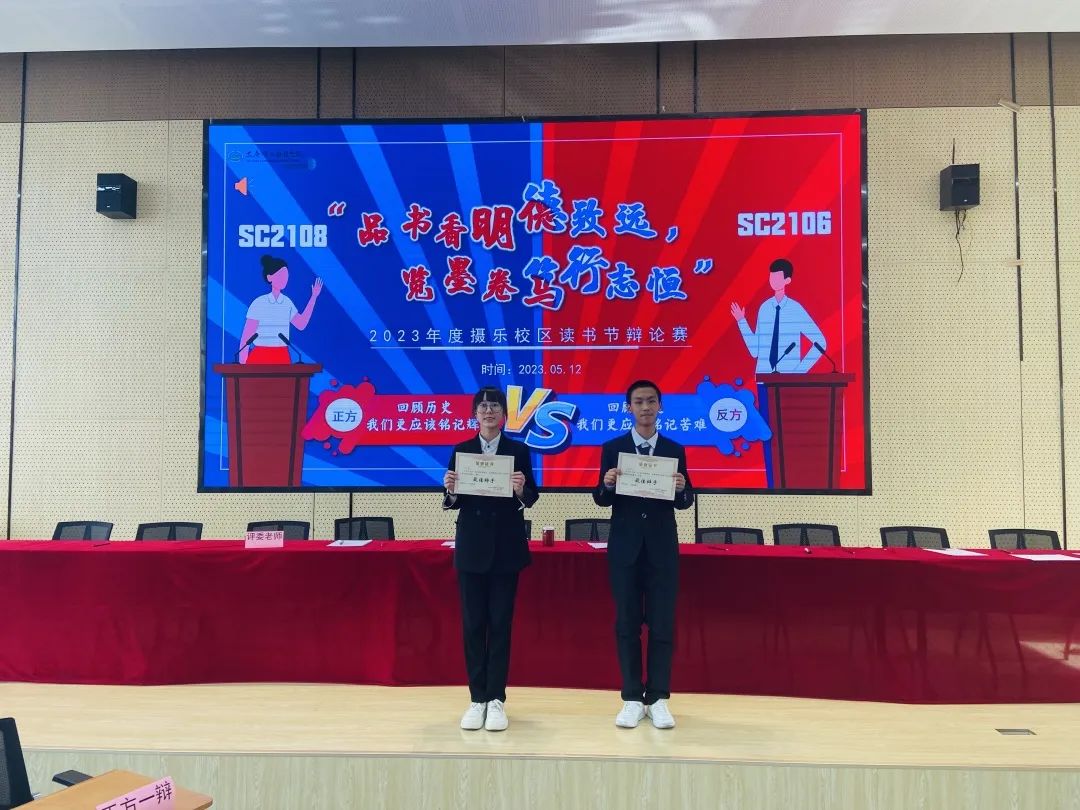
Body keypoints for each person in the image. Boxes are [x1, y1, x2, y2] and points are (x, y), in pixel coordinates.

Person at [593, 379, 693, 729]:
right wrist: (607, 484)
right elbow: (601, 499)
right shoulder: (613, 448)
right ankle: (633, 697)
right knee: (627, 624)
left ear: (660, 406)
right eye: (639, 402)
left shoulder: (674, 449)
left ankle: (659, 697)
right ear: (629, 408)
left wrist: (681, 489)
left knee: (662, 624)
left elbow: (685, 501)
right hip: (625, 549)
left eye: (651, 401)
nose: (646, 407)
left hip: (662, 549)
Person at [443, 387, 538, 732]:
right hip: (471, 548)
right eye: (482, 406)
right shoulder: (461, 450)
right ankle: (476, 698)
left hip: (506, 550)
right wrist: (450, 489)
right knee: (473, 626)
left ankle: (496, 698)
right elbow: (452, 500)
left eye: (494, 406)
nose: (488, 411)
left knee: (500, 625)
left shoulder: (518, 451)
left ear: (504, 415)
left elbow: (532, 497)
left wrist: (521, 489)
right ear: (475, 414)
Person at [730, 257, 826, 487]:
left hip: (788, 385)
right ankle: (773, 482)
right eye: (771, 276)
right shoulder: (764, 308)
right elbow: (755, 350)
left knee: (787, 435)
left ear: (787, 280)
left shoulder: (795, 309)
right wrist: (742, 322)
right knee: (767, 434)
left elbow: (820, 342)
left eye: (777, 276)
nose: (772, 280)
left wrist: (798, 372)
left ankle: (791, 481)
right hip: (764, 382)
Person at [238, 254, 323, 364]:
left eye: (286, 276)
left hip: (282, 356)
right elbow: (246, 336)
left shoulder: (287, 302)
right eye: (281, 275)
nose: (284, 279)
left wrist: (314, 297)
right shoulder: (258, 303)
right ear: (269, 277)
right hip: (260, 355)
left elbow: (301, 324)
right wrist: (242, 365)